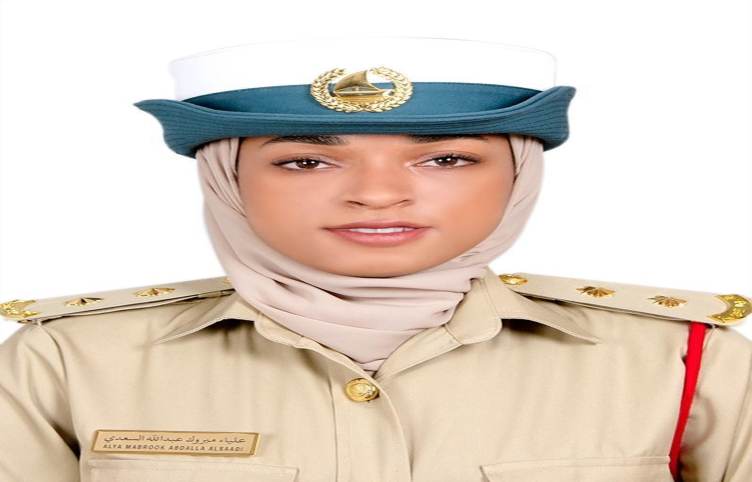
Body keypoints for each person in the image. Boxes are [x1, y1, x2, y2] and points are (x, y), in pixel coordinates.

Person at [0, 36, 750, 482]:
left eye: (446, 158)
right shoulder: (66, 361)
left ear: (519, 174)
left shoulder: (683, 361)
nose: (379, 194)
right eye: (305, 162)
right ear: (226, 177)